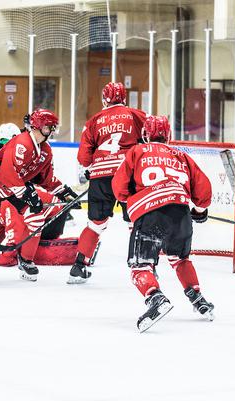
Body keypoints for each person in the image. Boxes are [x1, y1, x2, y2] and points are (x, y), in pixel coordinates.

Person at [0, 108, 78, 280]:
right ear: (37, 126)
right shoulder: (22, 143)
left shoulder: (45, 150)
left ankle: (25, 260)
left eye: (52, 128)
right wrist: (27, 194)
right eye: (48, 128)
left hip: (12, 189)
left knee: (35, 214)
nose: (51, 132)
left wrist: (64, 194)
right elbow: (7, 174)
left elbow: (45, 178)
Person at [112, 115, 215, 332]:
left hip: (150, 214)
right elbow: (203, 191)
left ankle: (155, 297)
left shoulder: (137, 152)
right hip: (180, 213)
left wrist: (130, 199)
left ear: (144, 135)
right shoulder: (181, 155)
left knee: (140, 266)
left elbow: (119, 188)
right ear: (168, 135)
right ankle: (198, 299)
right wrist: (199, 211)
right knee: (180, 258)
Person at [68, 81, 146, 284]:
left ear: (104, 99)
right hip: (127, 173)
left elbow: (84, 159)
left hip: (100, 176)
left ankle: (79, 266)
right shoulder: (136, 115)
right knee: (135, 221)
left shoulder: (94, 121)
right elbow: (152, 138)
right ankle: (140, 266)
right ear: (124, 97)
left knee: (95, 224)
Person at [0, 187, 78, 273]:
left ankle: (78, 250)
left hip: (54, 217)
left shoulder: (8, 205)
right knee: (27, 245)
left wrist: (2, 259)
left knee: (24, 254)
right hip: (44, 212)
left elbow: (15, 244)